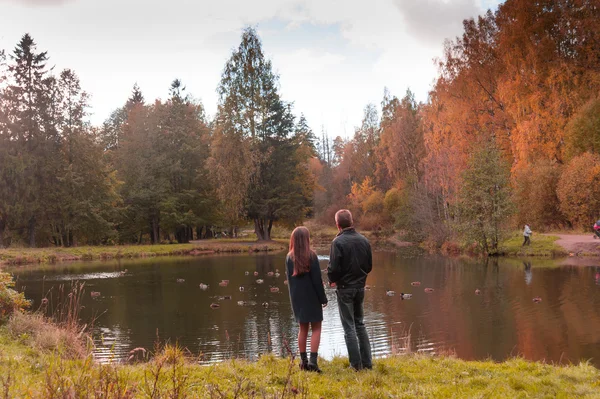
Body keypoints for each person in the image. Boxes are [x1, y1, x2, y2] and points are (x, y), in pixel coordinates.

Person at [327, 209, 373, 370]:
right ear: (351, 221)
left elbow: (333, 269)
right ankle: (367, 363)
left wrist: (333, 280)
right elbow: (369, 266)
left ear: (337, 224)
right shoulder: (364, 240)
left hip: (345, 289)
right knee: (360, 323)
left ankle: (356, 365)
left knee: (349, 327)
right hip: (360, 287)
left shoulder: (337, 242)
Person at [285, 226, 328, 372]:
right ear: (306, 240)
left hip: (297, 299)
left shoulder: (289, 257)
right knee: (316, 328)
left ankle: (303, 363)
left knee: (302, 329)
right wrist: (323, 299)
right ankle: (313, 362)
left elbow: (290, 282)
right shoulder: (312, 256)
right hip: (312, 297)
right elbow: (317, 281)